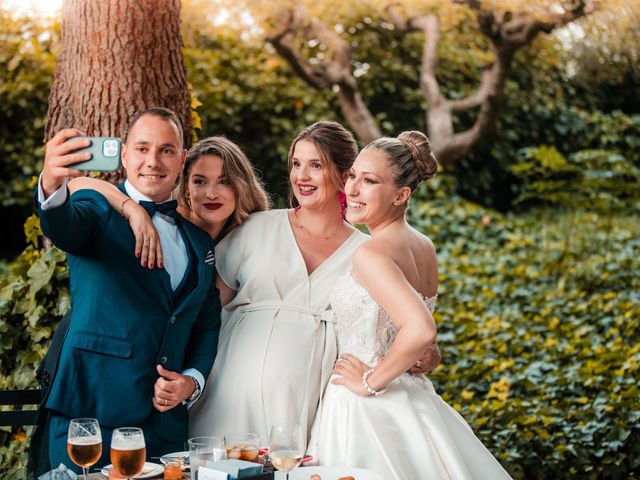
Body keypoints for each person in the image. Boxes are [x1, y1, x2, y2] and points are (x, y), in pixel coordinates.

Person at [188, 121, 440, 446]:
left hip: (312, 403)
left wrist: (427, 354)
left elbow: (399, 324)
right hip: (230, 391)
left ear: (344, 174)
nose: (301, 176)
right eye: (296, 164)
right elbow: (202, 315)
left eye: (315, 165)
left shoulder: (369, 251)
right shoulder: (256, 228)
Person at [309, 131, 512, 479]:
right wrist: (428, 353)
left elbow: (419, 328)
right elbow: (411, 328)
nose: (352, 189)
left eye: (369, 181)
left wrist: (369, 383)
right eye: (353, 175)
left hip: (365, 406)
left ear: (401, 194)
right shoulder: (423, 245)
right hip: (412, 396)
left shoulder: (371, 253)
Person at [36, 107, 221, 471]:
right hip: (91, 421)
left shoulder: (200, 242)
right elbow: (63, 225)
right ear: (124, 154)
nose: (153, 161)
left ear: (182, 158)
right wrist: (52, 183)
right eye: (142, 148)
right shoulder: (95, 207)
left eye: (167, 150)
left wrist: (190, 381)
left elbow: (205, 323)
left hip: (163, 430)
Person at [68, 135, 270, 264]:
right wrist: (133, 209)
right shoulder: (167, 220)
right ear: (187, 188)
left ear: (241, 186)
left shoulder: (252, 234)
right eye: (200, 182)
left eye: (224, 182)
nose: (211, 193)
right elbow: (77, 184)